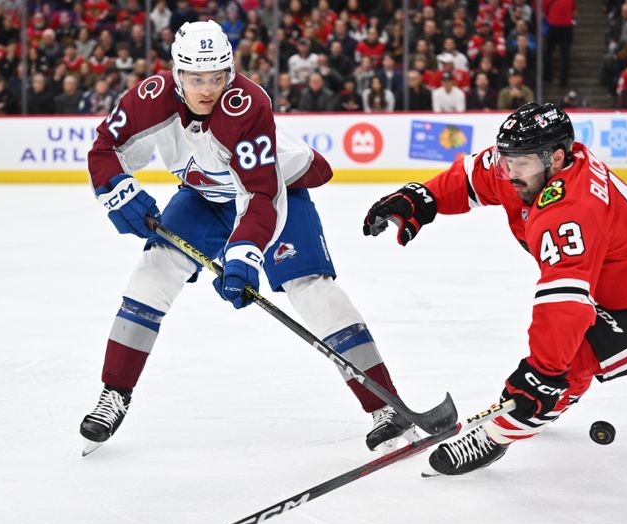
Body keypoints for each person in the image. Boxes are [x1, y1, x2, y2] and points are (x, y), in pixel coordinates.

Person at [80, 21, 412, 455]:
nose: (207, 89)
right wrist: (117, 191)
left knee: (312, 289)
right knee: (153, 272)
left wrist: (243, 258)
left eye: (216, 77)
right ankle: (114, 393)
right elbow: (105, 149)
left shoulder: (246, 104)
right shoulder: (149, 98)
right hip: (203, 195)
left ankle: (384, 405)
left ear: (229, 72)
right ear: (176, 73)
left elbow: (259, 194)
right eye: (196, 78)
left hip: (275, 189)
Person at [362, 102, 627, 476]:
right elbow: (471, 177)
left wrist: (542, 376)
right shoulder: (529, 166)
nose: (508, 172)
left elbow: (564, 306)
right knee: (560, 358)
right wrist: (421, 198)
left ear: (556, 158)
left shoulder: (572, 208)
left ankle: (494, 436)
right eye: (506, 160)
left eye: (520, 163)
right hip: (618, 285)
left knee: (568, 360)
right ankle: (556, 394)